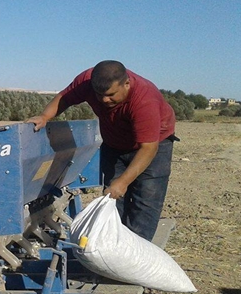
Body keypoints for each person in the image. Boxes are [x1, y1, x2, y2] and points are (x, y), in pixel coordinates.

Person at [26, 60, 178, 242]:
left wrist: (123, 182)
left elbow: (148, 148)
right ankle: (113, 245)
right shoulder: (86, 81)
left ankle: (136, 248)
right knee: (112, 200)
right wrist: (45, 116)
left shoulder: (144, 99)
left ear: (127, 83)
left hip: (153, 145)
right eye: (100, 94)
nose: (105, 100)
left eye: (111, 94)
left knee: (145, 202)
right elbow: (64, 98)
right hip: (115, 144)